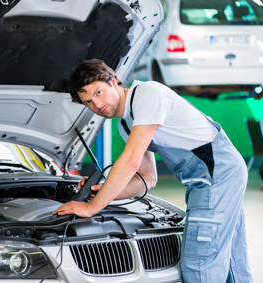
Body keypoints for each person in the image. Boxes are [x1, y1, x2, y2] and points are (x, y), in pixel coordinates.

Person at [53, 59, 254, 282]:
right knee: (232, 261)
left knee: (200, 263)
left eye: (98, 92)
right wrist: (103, 193)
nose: (97, 104)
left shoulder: (147, 95)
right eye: (88, 102)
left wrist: (92, 208)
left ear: (113, 81)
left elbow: (130, 161)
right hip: (208, 177)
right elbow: (147, 177)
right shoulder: (126, 123)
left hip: (217, 174)